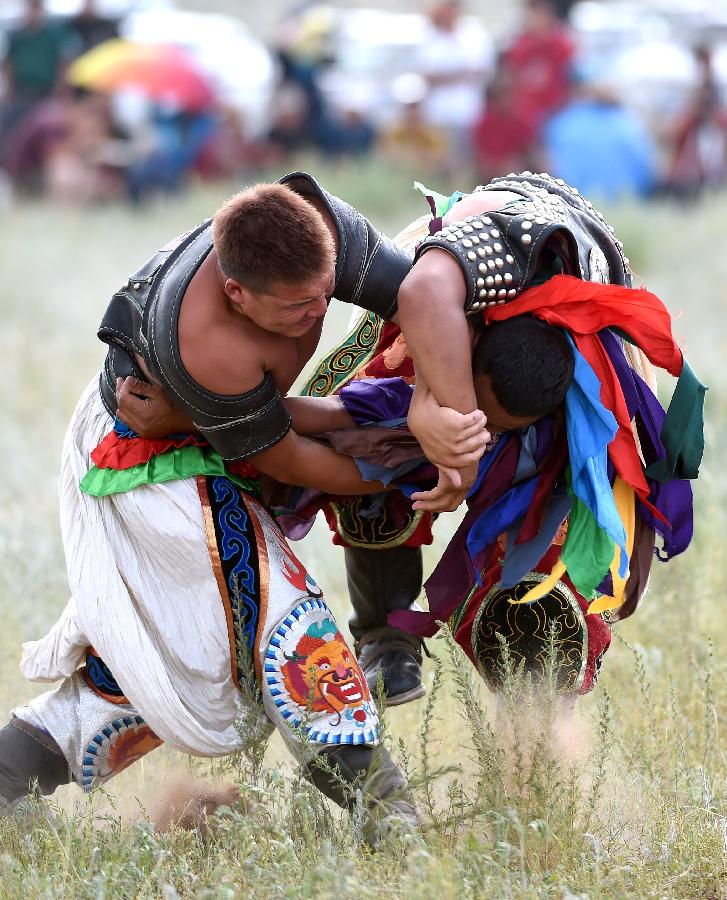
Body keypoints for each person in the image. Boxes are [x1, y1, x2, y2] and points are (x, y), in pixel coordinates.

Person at [4, 174, 485, 835]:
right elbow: (284, 457)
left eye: (323, 296)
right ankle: (388, 817)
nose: (315, 315)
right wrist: (400, 467)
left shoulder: (314, 229)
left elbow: (425, 297)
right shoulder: (210, 346)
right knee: (284, 623)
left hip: (214, 436)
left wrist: (444, 414)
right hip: (150, 461)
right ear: (236, 293)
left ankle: (5, 780)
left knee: (181, 645)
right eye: (293, 308)